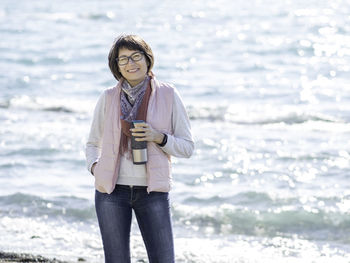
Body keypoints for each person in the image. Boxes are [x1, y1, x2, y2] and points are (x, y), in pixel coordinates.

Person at [85, 34, 194, 263]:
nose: (130, 64)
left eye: (136, 56)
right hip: (111, 192)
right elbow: (93, 143)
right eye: (123, 59)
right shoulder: (107, 97)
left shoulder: (168, 94)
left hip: (152, 191)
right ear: (116, 66)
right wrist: (96, 167)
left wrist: (159, 137)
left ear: (147, 58)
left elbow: (187, 147)